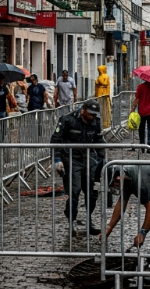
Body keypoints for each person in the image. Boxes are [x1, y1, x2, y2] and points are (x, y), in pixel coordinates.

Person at [50, 99, 106, 235]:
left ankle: (89, 220)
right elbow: (55, 140)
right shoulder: (67, 120)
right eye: (90, 114)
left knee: (92, 192)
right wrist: (57, 160)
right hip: (71, 159)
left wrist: (104, 160)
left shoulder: (96, 123)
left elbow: (99, 142)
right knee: (74, 191)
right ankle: (72, 221)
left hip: (89, 159)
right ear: (83, 111)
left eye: (95, 114)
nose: (93, 117)